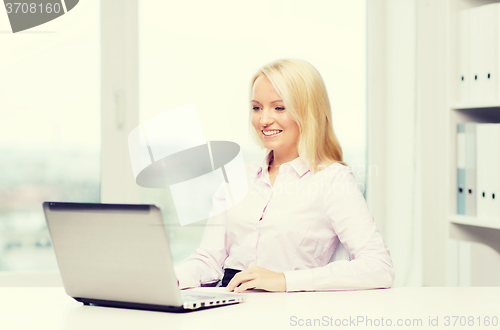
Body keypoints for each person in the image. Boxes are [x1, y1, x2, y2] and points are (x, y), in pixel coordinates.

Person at [174, 59, 395, 292]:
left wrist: (284, 280)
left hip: (290, 309)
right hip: (229, 302)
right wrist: (174, 277)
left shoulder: (332, 179)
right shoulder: (239, 178)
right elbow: (209, 259)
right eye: (257, 107)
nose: (264, 119)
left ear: (308, 112)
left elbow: (378, 267)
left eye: (279, 107)